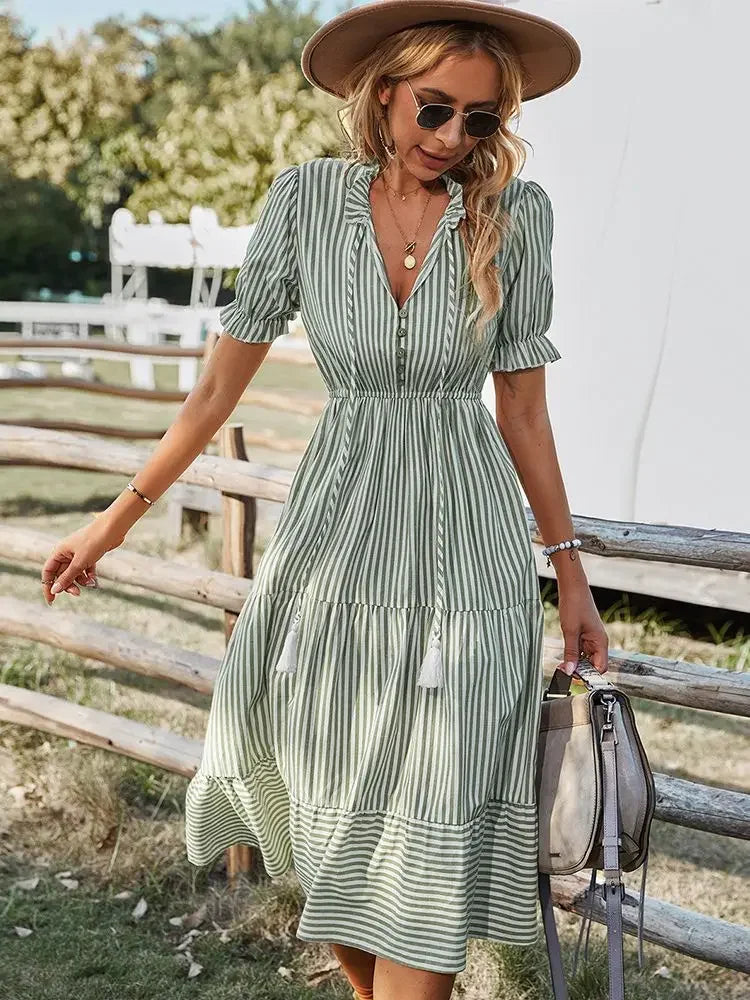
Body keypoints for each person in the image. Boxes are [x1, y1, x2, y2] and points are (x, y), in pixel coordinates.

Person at [41, 1, 610, 997]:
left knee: (436, 813)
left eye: (479, 121)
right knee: (321, 810)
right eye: (434, 109)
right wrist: (113, 520)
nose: (451, 139)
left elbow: (523, 411)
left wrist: (571, 575)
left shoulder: (517, 217)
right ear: (383, 91)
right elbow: (215, 392)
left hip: (464, 553)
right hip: (333, 547)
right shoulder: (303, 202)